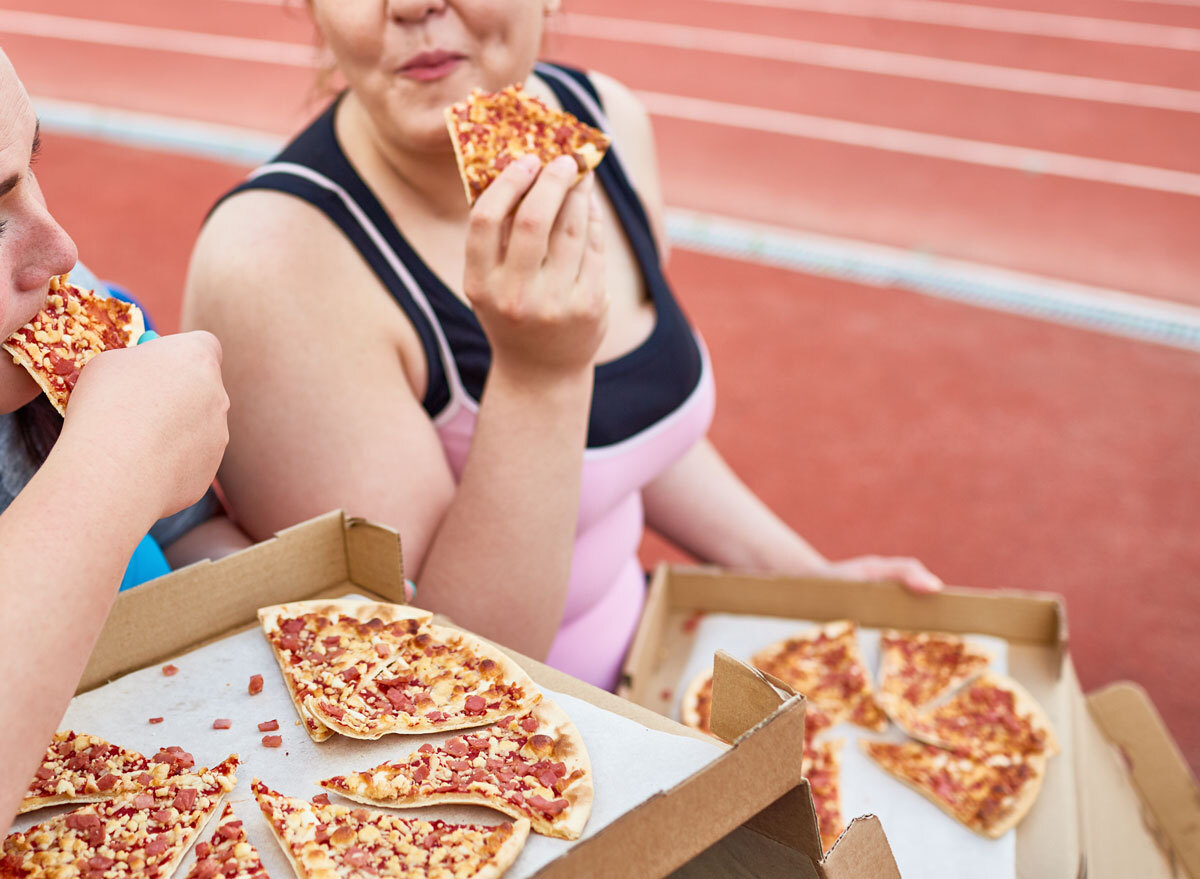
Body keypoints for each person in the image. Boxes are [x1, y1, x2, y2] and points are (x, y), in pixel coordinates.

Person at [184, 0, 942, 692]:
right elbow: (430, 687)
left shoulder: (600, 119)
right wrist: (537, 373)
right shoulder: (273, 264)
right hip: (517, 779)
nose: (413, 4)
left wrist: (806, 582)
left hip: (659, 678)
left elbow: (629, 436)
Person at [0, 49, 232, 829]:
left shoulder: (69, 318)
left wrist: (287, 614)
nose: (60, 250)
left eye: (32, 166)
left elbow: (193, 535)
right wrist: (113, 468)